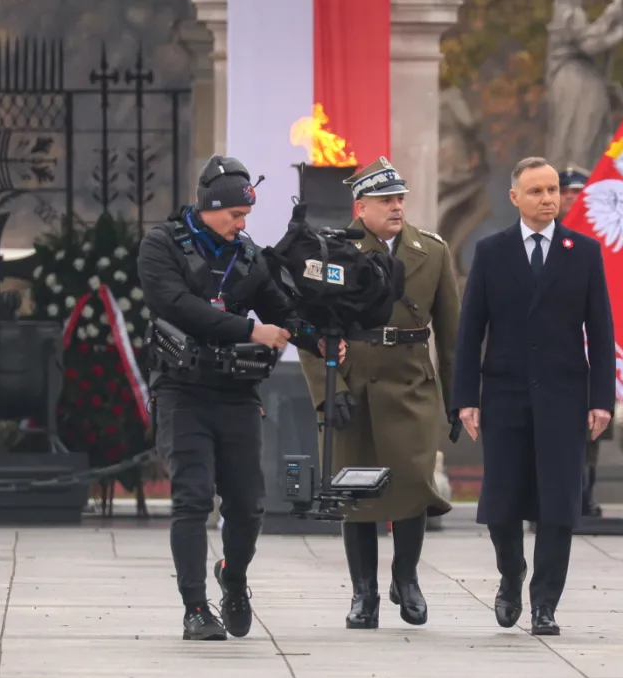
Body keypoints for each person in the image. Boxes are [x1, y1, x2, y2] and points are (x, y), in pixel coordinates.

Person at [138, 154, 330, 641]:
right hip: (181, 390)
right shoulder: (162, 246)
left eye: (246, 216)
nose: (242, 225)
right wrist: (250, 328)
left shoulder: (249, 256)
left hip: (236, 392)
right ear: (209, 206)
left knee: (248, 505)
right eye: (235, 215)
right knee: (192, 499)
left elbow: (281, 311)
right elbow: (178, 307)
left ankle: (235, 578)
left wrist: (320, 337)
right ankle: (195, 608)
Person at [452, 156, 616, 636]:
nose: (549, 199)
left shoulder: (582, 252)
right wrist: (466, 398)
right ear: (515, 198)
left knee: (558, 506)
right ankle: (511, 574)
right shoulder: (491, 252)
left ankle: (545, 603)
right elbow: (470, 332)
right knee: (501, 503)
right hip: (504, 395)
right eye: (538, 191)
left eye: (553, 190)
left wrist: (601, 398)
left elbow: (601, 332)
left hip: (565, 397)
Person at [298, 157, 460, 630]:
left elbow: (451, 337)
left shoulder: (431, 251)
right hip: (353, 380)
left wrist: (457, 401)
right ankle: (363, 593)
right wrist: (328, 393)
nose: (396, 207)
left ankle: (406, 578)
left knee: (412, 482)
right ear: (361, 205)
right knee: (356, 488)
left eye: (400, 198)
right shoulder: (330, 252)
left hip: (410, 382)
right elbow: (310, 329)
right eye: (386, 200)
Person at [557, 164, 605, 517]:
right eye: (567, 193)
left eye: (579, 193)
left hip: (595, 340)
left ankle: (587, 490)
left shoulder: (601, 238)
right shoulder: (546, 236)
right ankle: (568, 492)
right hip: (559, 345)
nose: (572, 200)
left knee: (595, 422)